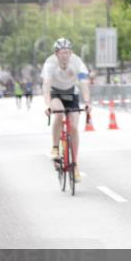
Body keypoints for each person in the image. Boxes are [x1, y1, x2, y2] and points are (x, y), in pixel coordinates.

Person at [42, 38, 92, 180]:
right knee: (59, 114)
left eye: (68, 52)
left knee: (74, 127)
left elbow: (83, 83)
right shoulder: (50, 64)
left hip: (71, 93)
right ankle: (55, 147)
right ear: (56, 53)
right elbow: (46, 85)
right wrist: (47, 105)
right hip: (55, 93)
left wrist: (87, 102)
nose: (65, 55)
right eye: (63, 53)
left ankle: (75, 164)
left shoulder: (77, 63)